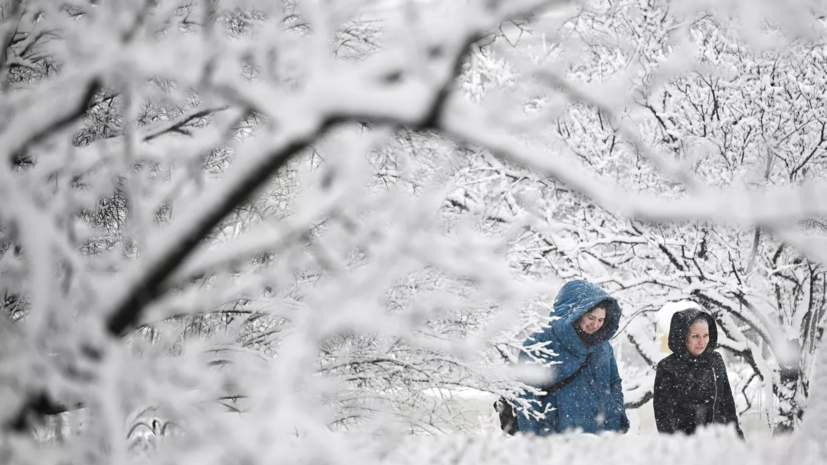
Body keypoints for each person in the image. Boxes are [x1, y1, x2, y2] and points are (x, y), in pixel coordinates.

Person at [515, 279, 629, 435]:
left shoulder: (603, 345)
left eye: (601, 320)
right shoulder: (540, 343)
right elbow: (527, 395)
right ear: (574, 313)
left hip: (604, 436)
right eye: (591, 317)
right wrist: (534, 440)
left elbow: (614, 382)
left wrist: (616, 411)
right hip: (559, 439)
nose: (595, 325)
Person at [653, 308, 744, 439]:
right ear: (682, 336)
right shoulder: (667, 368)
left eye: (706, 335)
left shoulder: (715, 361)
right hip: (686, 449)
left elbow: (727, 407)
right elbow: (664, 420)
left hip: (719, 445)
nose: (702, 342)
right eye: (695, 336)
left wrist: (738, 440)